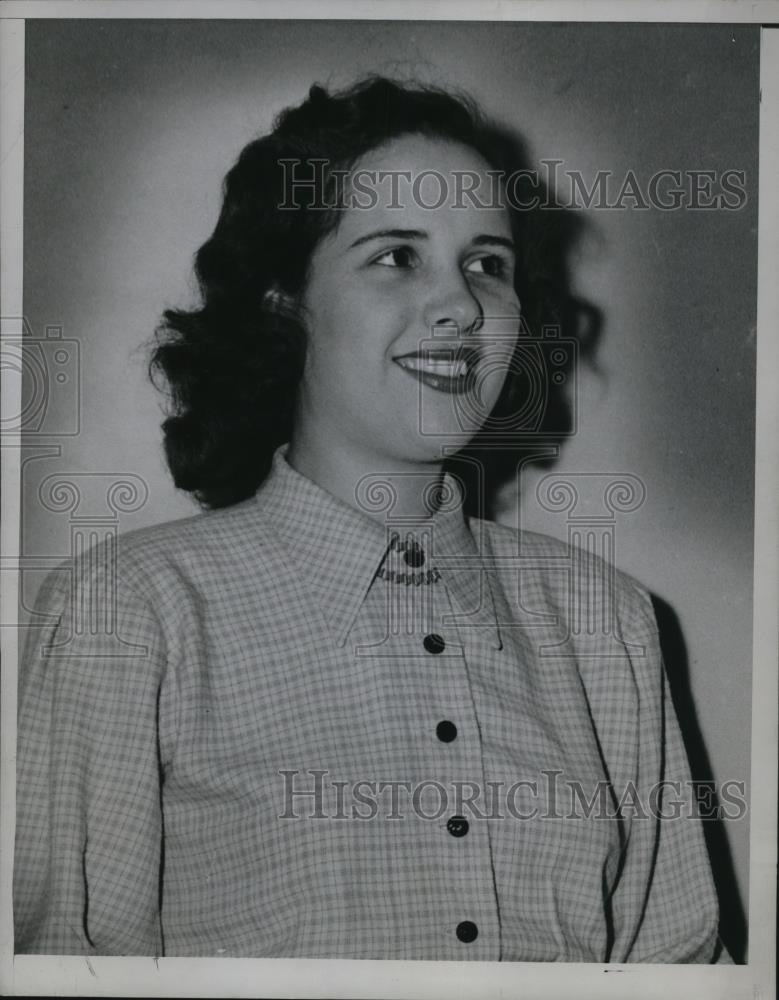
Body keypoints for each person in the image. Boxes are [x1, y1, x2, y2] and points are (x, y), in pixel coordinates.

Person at [14, 76, 728, 962]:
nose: (461, 307)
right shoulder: (127, 612)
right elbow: (72, 966)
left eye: (487, 265)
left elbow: (676, 968)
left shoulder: (609, 623)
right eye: (396, 256)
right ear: (285, 298)